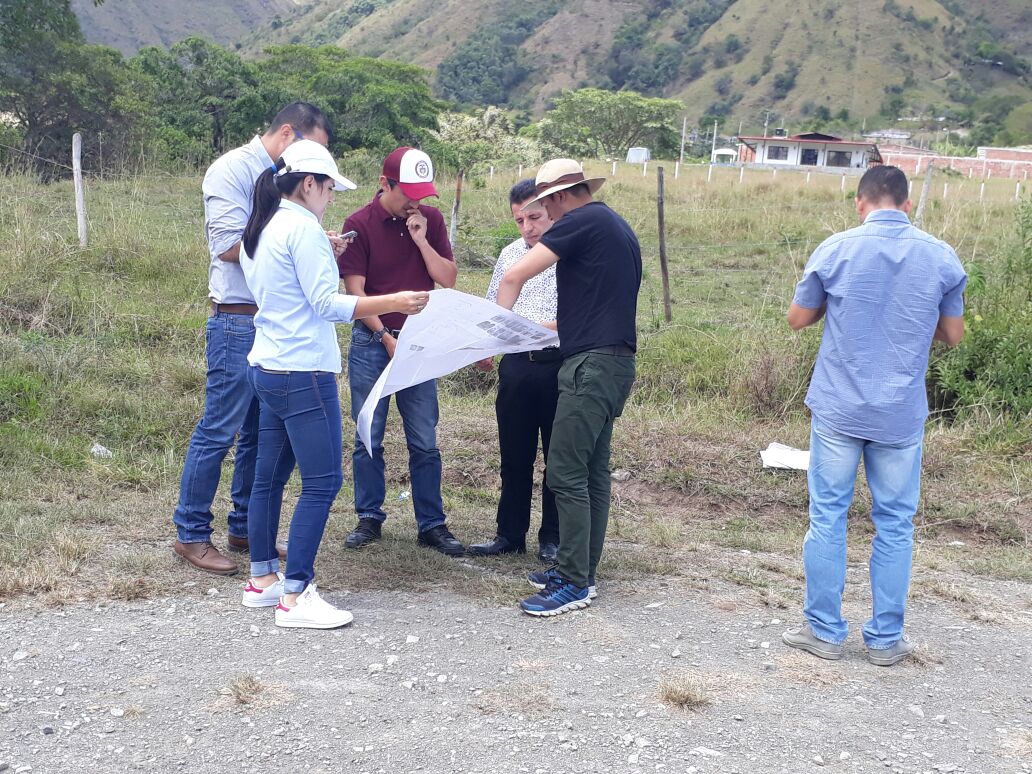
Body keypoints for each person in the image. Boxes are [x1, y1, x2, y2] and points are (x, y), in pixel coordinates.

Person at [237, 140, 429, 629]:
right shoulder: (300, 228)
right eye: (328, 188)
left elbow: (288, 289)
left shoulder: (266, 224)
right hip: (303, 372)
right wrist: (395, 302)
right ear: (309, 184)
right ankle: (296, 595)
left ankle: (263, 580)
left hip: (269, 365)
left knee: (269, 478)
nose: (331, 197)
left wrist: (325, 248)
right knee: (322, 481)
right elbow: (326, 304)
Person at [781, 165, 966, 666]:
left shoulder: (836, 249)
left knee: (828, 517)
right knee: (896, 523)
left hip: (840, 406)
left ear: (859, 203)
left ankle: (824, 630)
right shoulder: (942, 257)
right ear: (907, 205)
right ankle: (885, 639)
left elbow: (798, 319)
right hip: (901, 414)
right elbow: (952, 335)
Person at [172, 103, 334, 575]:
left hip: (274, 328)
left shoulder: (283, 186)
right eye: (312, 149)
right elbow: (225, 246)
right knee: (219, 429)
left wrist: (312, 241)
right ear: (287, 134)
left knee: (260, 437)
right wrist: (294, 241)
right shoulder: (232, 170)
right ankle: (191, 533)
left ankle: (245, 526)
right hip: (238, 320)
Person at [495, 159, 641, 616]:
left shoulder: (582, 220)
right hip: (614, 362)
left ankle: (574, 582)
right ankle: (582, 569)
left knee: (565, 471)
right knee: (592, 471)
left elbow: (515, 274)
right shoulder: (615, 223)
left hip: (589, 364)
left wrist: (497, 331)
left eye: (543, 207)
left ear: (558, 198)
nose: (542, 219)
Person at [337, 147, 464, 556]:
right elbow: (355, 292)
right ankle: (369, 517)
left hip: (420, 342)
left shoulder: (431, 220)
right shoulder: (359, 223)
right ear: (384, 182)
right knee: (368, 433)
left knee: (424, 437)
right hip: (373, 341)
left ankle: (432, 524)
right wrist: (384, 337)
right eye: (407, 192)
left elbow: (447, 277)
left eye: (422, 194)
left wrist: (421, 239)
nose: (416, 201)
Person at [468, 180, 561, 563]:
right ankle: (509, 534)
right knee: (514, 455)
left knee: (559, 458)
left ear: (553, 211)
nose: (527, 227)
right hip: (517, 367)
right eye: (519, 220)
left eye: (534, 217)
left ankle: (553, 539)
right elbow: (494, 308)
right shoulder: (509, 255)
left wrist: (543, 329)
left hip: (559, 365)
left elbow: (579, 315)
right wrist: (484, 346)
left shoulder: (569, 252)